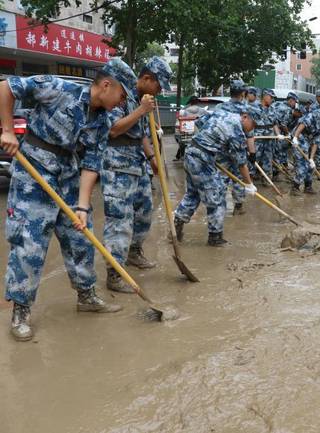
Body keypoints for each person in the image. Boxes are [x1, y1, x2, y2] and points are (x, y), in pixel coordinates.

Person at [0, 60, 130, 341]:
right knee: (29, 242)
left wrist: (82, 206)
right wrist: (8, 130)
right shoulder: (56, 88)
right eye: (122, 95)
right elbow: (6, 88)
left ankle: (87, 296)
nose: (122, 103)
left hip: (68, 175)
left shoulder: (102, 120)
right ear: (107, 85)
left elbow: (92, 163)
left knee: (81, 237)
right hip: (33, 171)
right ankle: (21, 310)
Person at [78, 56, 172, 294]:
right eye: (159, 86)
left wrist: (153, 160)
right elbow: (113, 129)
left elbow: (139, 134)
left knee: (144, 211)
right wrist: (141, 111)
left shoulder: (139, 99)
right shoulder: (118, 94)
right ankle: (114, 273)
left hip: (136, 162)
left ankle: (133, 252)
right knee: (119, 220)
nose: (159, 91)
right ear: (147, 78)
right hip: (116, 163)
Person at [174, 110, 257, 246]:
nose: (252, 129)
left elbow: (199, 122)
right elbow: (241, 163)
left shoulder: (222, 113)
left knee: (193, 194)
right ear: (245, 117)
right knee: (217, 196)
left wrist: (210, 143)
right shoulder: (237, 131)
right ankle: (215, 236)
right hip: (202, 158)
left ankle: (177, 224)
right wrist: (249, 184)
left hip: (191, 152)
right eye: (252, 125)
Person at [213, 80, 255, 215]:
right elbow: (249, 134)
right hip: (238, 149)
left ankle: (219, 210)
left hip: (220, 151)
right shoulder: (245, 110)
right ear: (243, 93)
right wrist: (252, 153)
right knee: (239, 177)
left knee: (220, 180)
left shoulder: (220, 107)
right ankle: (238, 207)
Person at [291, 106, 320, 194]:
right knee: (302, 163)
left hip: (308, 140)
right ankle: (295, 187)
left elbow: (316, 141)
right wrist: (295, 138)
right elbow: (302, 125)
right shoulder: (316, 114)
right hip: (299, 137)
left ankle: (308, 187)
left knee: (311, 165)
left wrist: (312, 158)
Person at [253, 88, 284, 178]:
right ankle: (249, 179)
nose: (272, 100)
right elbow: (249, 124)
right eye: (271, 97)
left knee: (268, 159)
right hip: (257, 138)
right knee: (254, 158)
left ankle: (266, 178)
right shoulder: (255, 108)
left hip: (270, 138)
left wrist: (278, 134)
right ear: (265, 96)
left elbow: (274, 124)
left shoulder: (272, 109)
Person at [271, 91, 298, 179]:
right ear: (291, 100)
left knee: (273, 152)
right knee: (279, 152)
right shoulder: (288, 110)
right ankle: (275, 174)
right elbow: (283, 124)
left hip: (268, 130)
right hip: (277, 132)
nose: (295, 104)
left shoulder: (277, 103)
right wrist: (288, 134)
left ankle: (283, 167)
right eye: (295, 102)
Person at [175, 95, 207, 161]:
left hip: (187, 134)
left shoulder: (185, 111)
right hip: (199, 134)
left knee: (182, 141)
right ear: (197, 102)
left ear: (190, 103)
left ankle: (181, 156)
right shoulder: (203, 111)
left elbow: (181, 122)